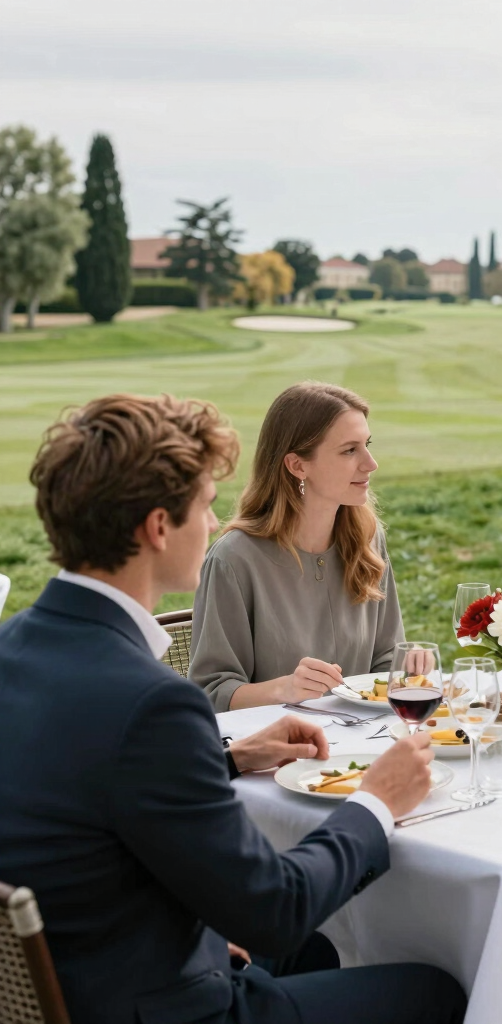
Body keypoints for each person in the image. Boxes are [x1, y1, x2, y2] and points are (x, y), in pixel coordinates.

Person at [0, 394, 466, 1024]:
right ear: (158, 527)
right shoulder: (154, 705)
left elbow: (84, 789)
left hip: (97, 966)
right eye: (203, 503)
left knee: (318, 953)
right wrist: (377, 800)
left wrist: (226, 755)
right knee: (437, 992)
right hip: (169, 1006)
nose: (215, 518)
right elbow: (274, 911)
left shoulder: (14, 647)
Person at [190, 382, 405, 711]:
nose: (370, 463)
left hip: (364, 747)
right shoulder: (234, 560)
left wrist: (409, 670)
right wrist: (285, 688)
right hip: (276, 752)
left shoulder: (368, 539)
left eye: (367, 444)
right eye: (350, 450)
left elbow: (388, 659)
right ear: (297, 466)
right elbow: (209, 693)